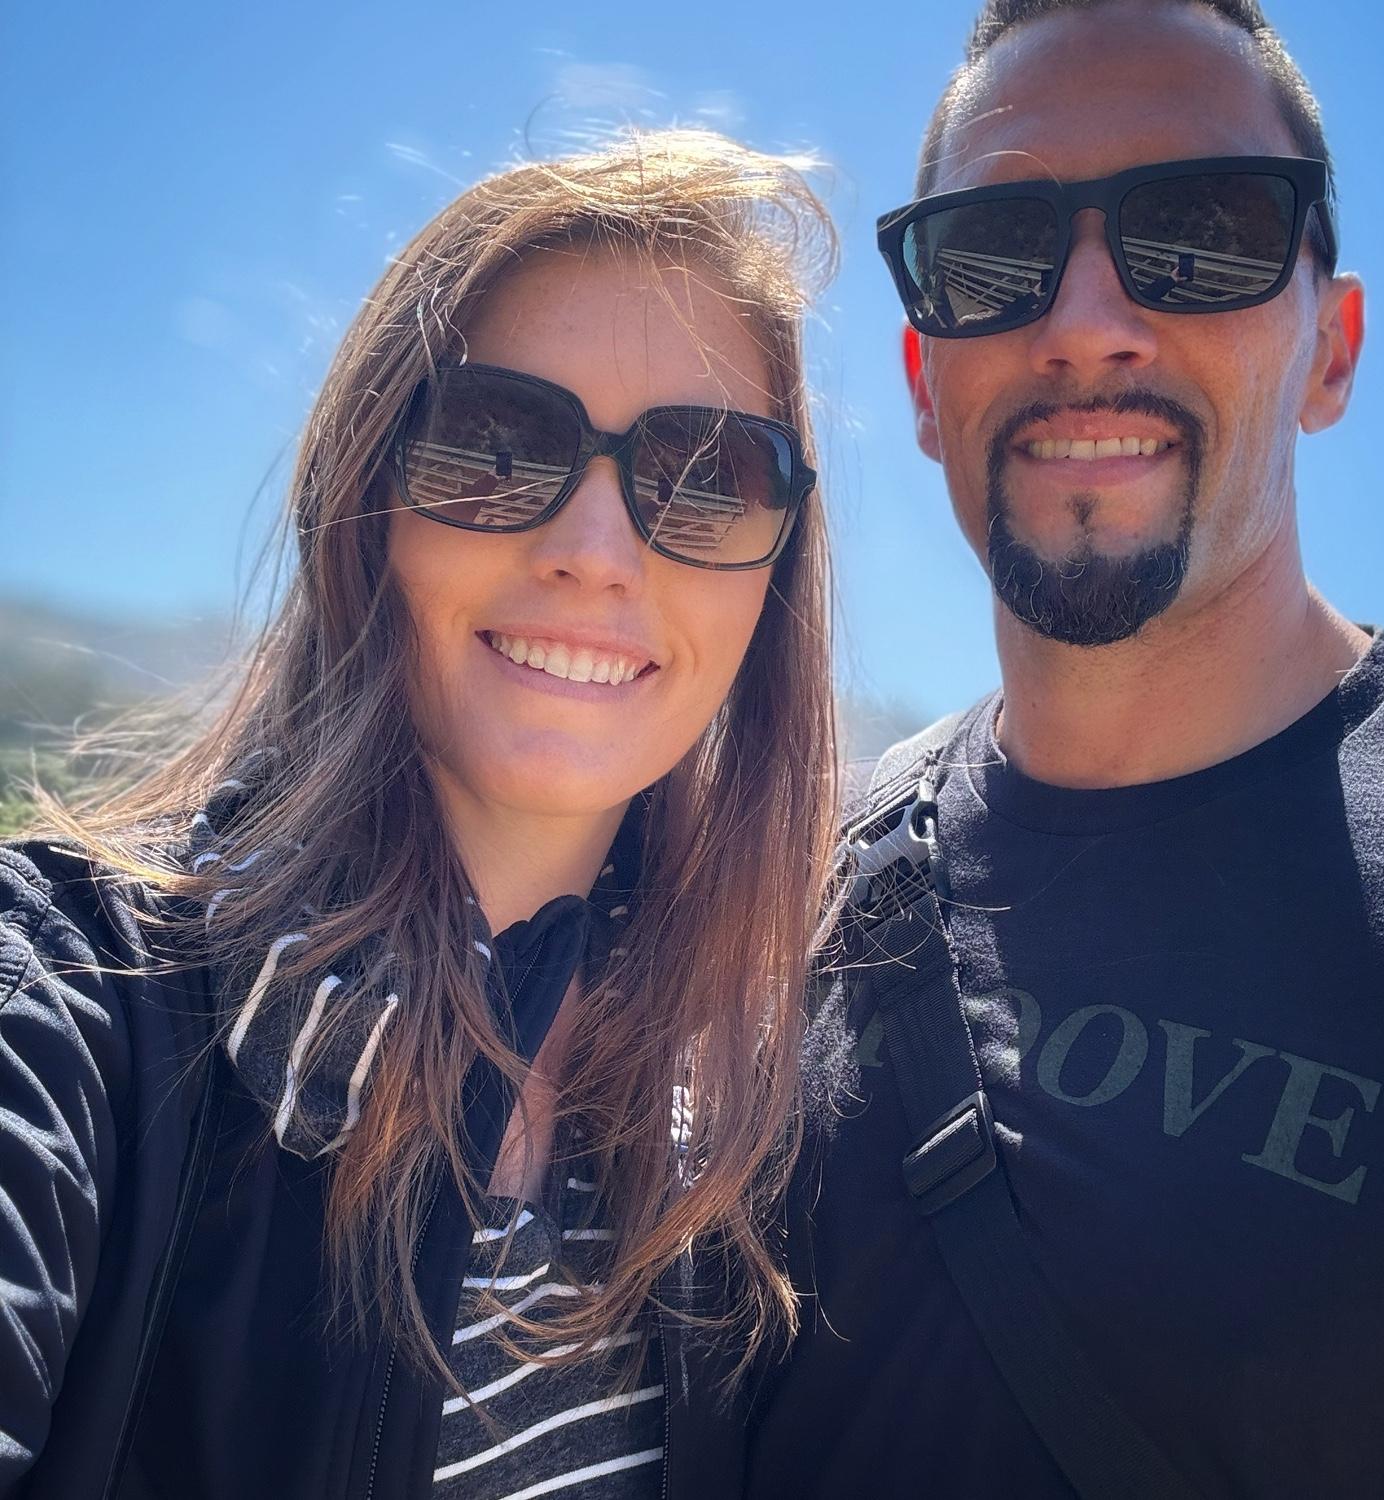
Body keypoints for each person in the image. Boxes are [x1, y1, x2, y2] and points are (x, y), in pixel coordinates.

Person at [0, 128, 838, 1500]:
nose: (596, 552)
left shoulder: (746, 1149)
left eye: (706, 479)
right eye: (498, 445)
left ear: (775, 577)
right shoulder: (70, 1005)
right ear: (367, 499)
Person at [743, 3, 1384, 1498]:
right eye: (992, 252)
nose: (1084, 322)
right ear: (923, 382)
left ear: (1332, 351)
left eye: (1202, 232)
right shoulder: (789, 897)